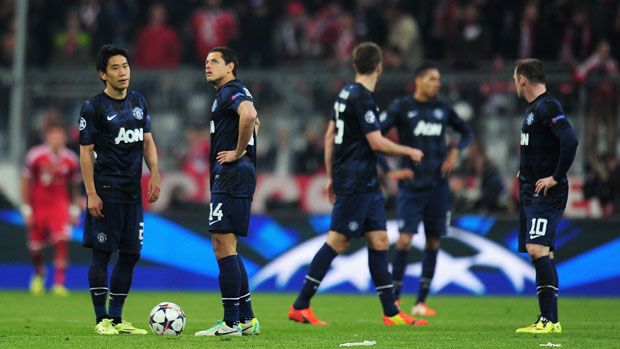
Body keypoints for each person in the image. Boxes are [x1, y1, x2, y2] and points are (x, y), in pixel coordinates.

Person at [288, 42, 427, 326]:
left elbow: (329, 135)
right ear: (380, 66)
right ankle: (300, 305)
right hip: (355, 180)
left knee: (378, 240)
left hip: (364, 182)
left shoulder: (343, 94)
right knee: (337, 241)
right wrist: (408, 151)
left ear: (354, 66)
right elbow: (376, 142)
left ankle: (391, 313)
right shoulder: (362, 98)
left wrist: (330, 175)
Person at [79, 44, 160, 335]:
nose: (122, 72)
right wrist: (91, 192)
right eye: (115, 67)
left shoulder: (139, 101)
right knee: (102, 254)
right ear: (103, 74)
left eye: (125, 66)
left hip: (132, 194)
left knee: (130, 254)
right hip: (107, 190)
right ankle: (101, 319)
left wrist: (155, 174)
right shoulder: (93, 107)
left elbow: (147, 140)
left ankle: (116, 318)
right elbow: (86, 152)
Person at [381, 62, 473, 316]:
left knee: (434, 241)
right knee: (404, 240)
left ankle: (421, 302)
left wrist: (454, 151)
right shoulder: (402, 108)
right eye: (432, 78)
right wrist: (389, 171)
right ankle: (395, 301)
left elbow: (466, 132)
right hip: (411, 187)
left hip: (438, 186)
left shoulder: (442, 108)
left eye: (438, 79)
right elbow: (375, 137)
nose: (437, 83)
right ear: (418, 80)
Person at [194, 47, 261, 337]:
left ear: (231, 66)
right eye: (206, 62)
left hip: (232, 175)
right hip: (236, 176)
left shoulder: (230, 91)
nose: (208, 65)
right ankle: (246, 319)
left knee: (221, 244)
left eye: (215, 61)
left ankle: (230, 323)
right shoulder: (232, 92)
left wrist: (237, 151)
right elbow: (254, 121)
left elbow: (250, 114)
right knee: (228, 245)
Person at [513, 58, 578, 334]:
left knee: (537, 249)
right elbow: (544, 147)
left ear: (523, 80)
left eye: (515, 79)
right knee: (543, 252)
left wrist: (556, 176)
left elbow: (570, 139)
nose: (514, 84)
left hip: (545, 193)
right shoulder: (534, 109)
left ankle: (550, 320)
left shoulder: (547, 106)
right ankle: (548, 319)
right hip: (531, 190)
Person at [21, 122, 81, 297]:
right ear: (48, 137)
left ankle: (58, 284)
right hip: (38, 205)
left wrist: (74, 210)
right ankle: (40, 273)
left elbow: (74, 186)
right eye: (53, 136)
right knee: (35, 248)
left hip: (59, 206)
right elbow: (25, 181)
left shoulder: (71, 159)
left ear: (64, 138)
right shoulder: (35, 155)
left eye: (59, 136)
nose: (56, 139)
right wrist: (26, 209)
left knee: (61, 242)